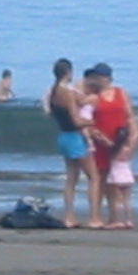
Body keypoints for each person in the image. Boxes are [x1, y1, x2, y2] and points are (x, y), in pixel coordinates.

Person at [48, 58, 102, 228]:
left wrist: (87, 98)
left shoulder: (54, 91)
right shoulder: (68, 93)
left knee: (71, 179)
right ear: (68, 72)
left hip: (63, 136)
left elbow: (77, 102)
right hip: (74, 137)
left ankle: (69, 217)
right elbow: (77, 120)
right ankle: (94, 218)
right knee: (94, 177)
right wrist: (92, 123)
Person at [88, 63, 138, 222]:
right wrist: (98, 136)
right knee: (103, 180)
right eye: (95, 77)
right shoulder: (93, 97)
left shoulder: (121, 93)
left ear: (107, 78)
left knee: (120, 180)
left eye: (99, 77)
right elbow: (88, 122)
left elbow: (130, 117)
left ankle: (121, 217)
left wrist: (132, 141)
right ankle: (104, 216)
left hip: (119, 142)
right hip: (102, 144)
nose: (96, 80)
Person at [106, 127, 136, 229]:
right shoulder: (128, 150)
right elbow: (135, 136)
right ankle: (128, 220)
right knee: (127, 200)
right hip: (127, 175)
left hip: (116, 175)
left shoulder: (114, 149)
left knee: (116, 200)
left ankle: (117, 220)